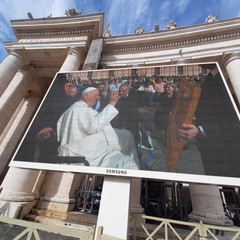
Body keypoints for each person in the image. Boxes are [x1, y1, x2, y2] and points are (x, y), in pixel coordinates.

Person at [57, 87, 139, 169]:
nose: (97, 97)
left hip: (88, 138)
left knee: (127, 134)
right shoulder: (80, 110)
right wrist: (112, 103)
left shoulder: (77, 108)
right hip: (88, 149)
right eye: (96, 95)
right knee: (126, 159)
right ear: (85, 96)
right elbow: (95, 127)